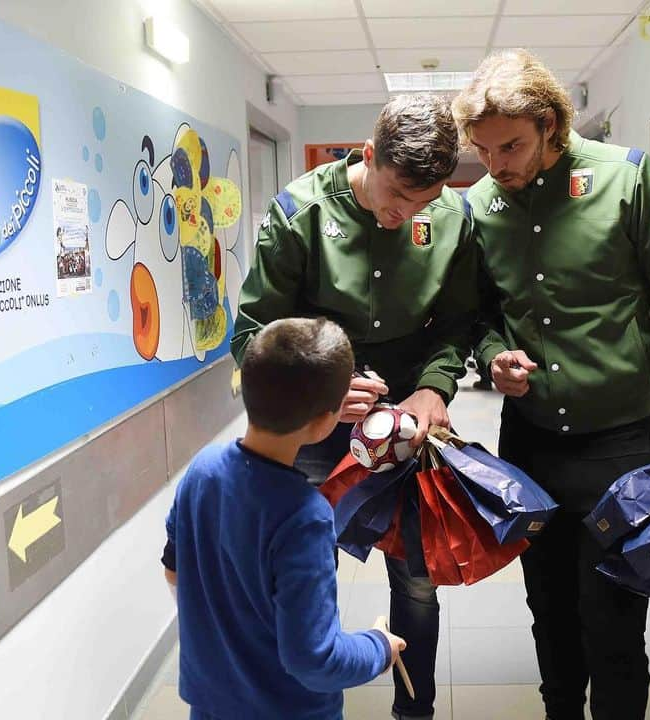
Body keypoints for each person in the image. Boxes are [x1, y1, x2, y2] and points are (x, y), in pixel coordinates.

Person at [452, 49, 650, 720]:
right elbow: (478, 314)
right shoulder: (482, 204)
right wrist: (493, 355)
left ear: (550, 124)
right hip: (530, 442)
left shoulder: (628, 181)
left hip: (617, 447)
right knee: (548, 617)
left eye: (512, 146)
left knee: (612, 624)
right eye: (484, 151)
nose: (498, 165)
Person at [231, 93, 477, 720]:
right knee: (297, 575)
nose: (405, 214)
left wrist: (435, 387)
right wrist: (318, 393)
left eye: (423, 203)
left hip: (406, 426)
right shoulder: (300, 214)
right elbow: (250, 340)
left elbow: (459, 324)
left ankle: (413, 710)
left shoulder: (450, 217)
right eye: (396, 196)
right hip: (311, 430)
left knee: (417, 580)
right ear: (367, 157)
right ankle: (292, 704)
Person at [162, 318, 406, 720]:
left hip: (211, 704)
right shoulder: (304, 517)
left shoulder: (202, 471)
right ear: (328, 420)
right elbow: (314, 659)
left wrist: (226, 630)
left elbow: (174, 570)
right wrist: (378, 646)